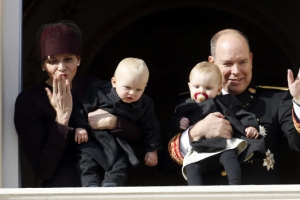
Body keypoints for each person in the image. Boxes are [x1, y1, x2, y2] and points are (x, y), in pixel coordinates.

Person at [14, 20, 142, 188]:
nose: (61, 67)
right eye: (52, 61)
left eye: (68, 59)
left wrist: (114, 123)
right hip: (65, 190)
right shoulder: (30, 101)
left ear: (79, 60)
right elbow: (43, 170)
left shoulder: (94, 87)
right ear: (43, 65)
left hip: (108, 183)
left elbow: (140, 135)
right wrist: (62, 121)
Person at [166, 29, 300, 185]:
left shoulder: (275, 100)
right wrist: (195, 132)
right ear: (212, 63)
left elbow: (297, 144)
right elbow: (165, 165)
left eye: (243, 62)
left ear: (251, 60)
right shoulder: (188, 103)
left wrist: (298, 101)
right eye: (228, 64)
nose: (236, 71)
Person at [169, 61, 266, 185]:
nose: (201, 91)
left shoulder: (226, 101)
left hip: (222, 145)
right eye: (196, 86)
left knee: (230, 156)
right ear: (189, 86)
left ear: (219, 89)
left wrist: (250, 126)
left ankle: (235, 187)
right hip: (199, 149)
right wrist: (180, 122)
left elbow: (243, 114)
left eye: (208, 88)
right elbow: (173, 125)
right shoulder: (184, 106)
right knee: (191, 167)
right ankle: (196, 194)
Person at [72, 57, 162, 187]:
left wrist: (152, 150)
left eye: (139, 90)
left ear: (145, 87)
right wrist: (80, 127)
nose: (132, 93)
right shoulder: (99, 91)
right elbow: (80, 108)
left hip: (119, 145)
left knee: (120, 165)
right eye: (127, 87)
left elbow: (151, 127)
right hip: (92, 140)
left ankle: (111, 186)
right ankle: (90, 188)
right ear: (114, 82)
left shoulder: (145, 105)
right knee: (86, 162)